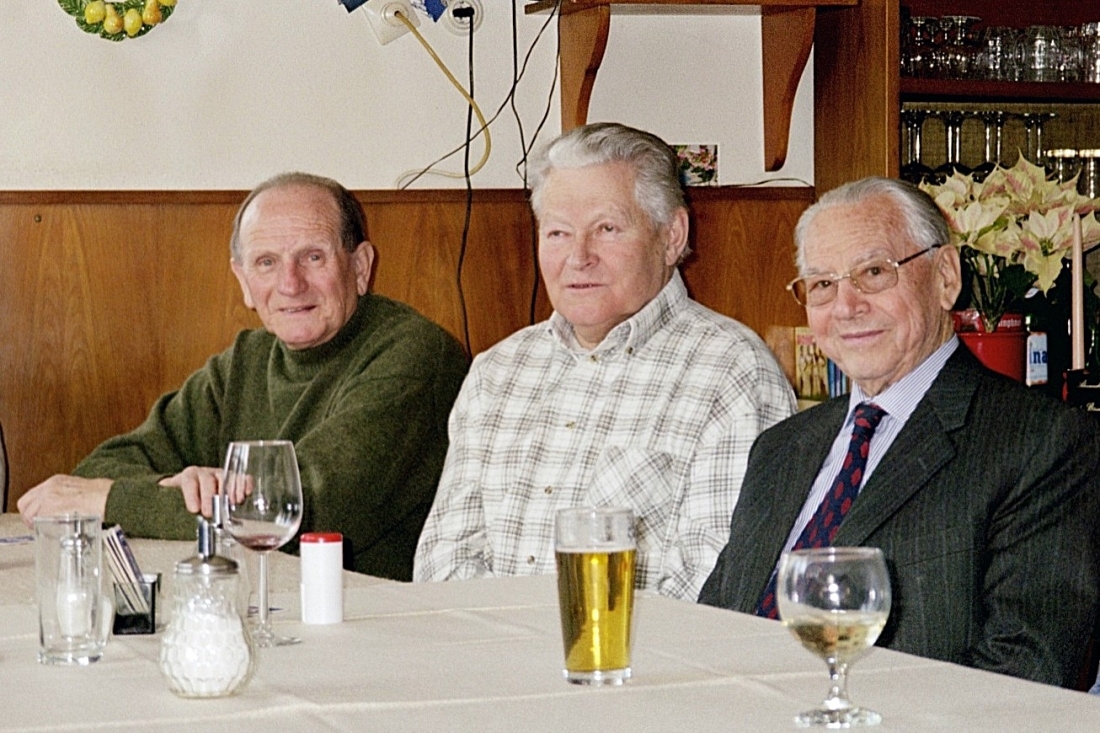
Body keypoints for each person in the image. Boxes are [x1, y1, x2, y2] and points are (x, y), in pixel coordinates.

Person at [698, 176, 1100, 687]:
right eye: (822, 285)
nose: (846, 306)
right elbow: (715, 625)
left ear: (945, 278)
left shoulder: (1040, 443)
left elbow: (1028, 674)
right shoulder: (781, 448)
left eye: (873, 272)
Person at [17, 172, 469, 580]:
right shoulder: (244, 362)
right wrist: (175, 486)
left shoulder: (414, 355)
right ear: (243, 282)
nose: (290, 284)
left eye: (313, 257)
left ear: (360, 267)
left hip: (372, 629)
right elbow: (99, 468)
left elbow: (296, 512)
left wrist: (112, 501)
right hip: (264, 606)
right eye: (266, 262)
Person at [413, 122, 796, 601]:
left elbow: (712, 592)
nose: (578, 256)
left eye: (607, 229)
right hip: (493, 662)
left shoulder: (731, 371)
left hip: (645, 670)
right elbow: (440, 567)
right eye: (557, 232)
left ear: (673, 236)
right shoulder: (498, 373)